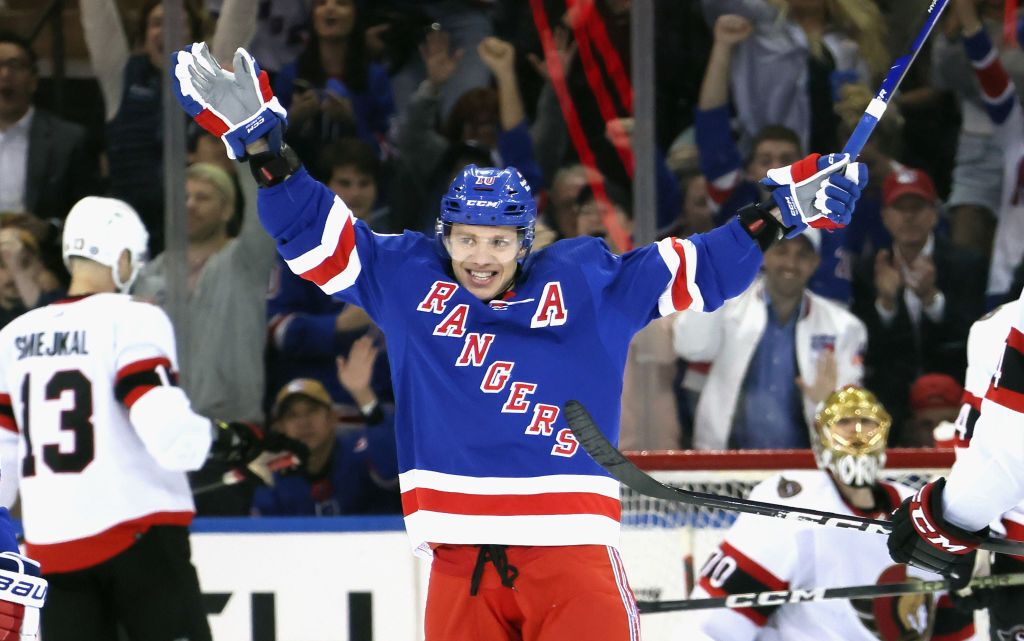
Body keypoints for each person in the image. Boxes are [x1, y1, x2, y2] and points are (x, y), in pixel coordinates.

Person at [171, 42, 868, 640]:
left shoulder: (589, 282)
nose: (480, 257)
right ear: (445, 235)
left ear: (524, 241)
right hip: (458, 561)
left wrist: (783, 207)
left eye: (497, 241)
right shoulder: (407, 277)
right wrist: (263, 148)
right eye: (467, 239)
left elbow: (702, 265)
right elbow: (315, 237)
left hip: (569, 552)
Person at [0, 196, 302, 641]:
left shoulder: (13, 337)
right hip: (139, 540)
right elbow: (170, 435)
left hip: (52, 552)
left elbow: (3, 466)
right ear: (122, 257)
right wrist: (240, 441)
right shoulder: (133, 318)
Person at [687, 386, 974, 641]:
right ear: (822, 435)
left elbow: (952, 625)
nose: (857, 432)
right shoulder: (793, 505)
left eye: (867, 422)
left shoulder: (917, 509)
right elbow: (715, 623)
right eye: (845, 422)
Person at [892, 297, 1024, 640]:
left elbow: (1005, 454)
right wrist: (983, 543)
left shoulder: (996, 326)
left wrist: (947, 522)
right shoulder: (991, 329)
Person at [673, 229, 867, 450]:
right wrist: (717, 283)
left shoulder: (844, 327)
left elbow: (851, 414)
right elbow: (688, 347)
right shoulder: (728, 306)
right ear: (764, 255)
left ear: (815, 263)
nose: (790, 263)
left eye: (802, 255)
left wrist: (825, 403)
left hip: (807, 469)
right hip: (725, 463)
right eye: (781, 251)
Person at [851, 167, 987, 432]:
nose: (909, 216)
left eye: (917, 207)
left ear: (934, 214)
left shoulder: (966, 264)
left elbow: (973, 337)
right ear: (885, 216)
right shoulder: (868, 270)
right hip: (893, 400)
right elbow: (868, 350)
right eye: (900, 208)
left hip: (953, 390)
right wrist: (886, 303)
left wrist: (931, 299)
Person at [252, 348, 400, 516]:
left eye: (312, 411)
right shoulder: (271, 477)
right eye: (292, 416)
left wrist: (363, 394)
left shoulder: (362, 453)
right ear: (280, 428)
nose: (303, 422)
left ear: (332, 418)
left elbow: (392, 468)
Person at [0, 31, 97, 223]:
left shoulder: (67, 140)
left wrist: (47, 230)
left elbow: (89, 217)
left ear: (34, 81)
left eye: (15, 65)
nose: (5, 74)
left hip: (38, 248)